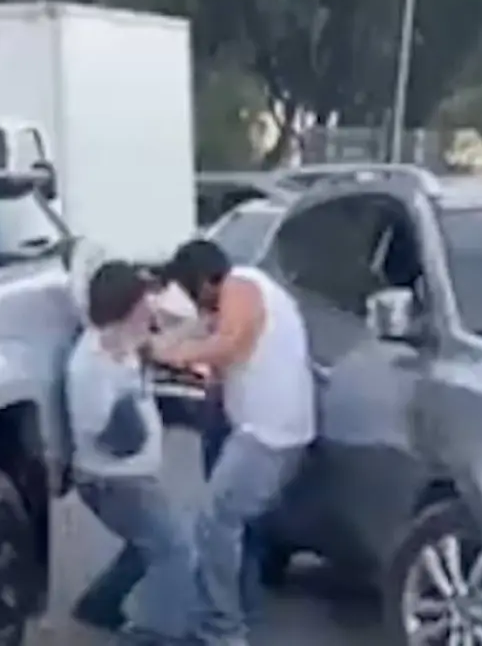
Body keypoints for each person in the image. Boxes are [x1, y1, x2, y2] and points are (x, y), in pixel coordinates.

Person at [152, 240, 316, 646]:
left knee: (215, 520)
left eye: (196, 293)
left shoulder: (239, 286)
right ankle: (233, 609)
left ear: (208, 280)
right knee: (235, 523)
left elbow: (228, 344)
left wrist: (170, 354)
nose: (200, 305)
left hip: (268, 436)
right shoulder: (244, 292)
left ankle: (222, 630)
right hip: (263, 432)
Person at [66, 260, 195, 645]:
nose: (150, 307)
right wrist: (131, 415)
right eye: (143, 300)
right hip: (114, 481)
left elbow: (183, 321)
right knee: (175, 550)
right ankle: (162, 633)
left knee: (145, 546)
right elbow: (98, 432)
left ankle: (98, 606)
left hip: (128, 478)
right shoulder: (91, 362)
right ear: (124, 304)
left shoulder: (125, 343)